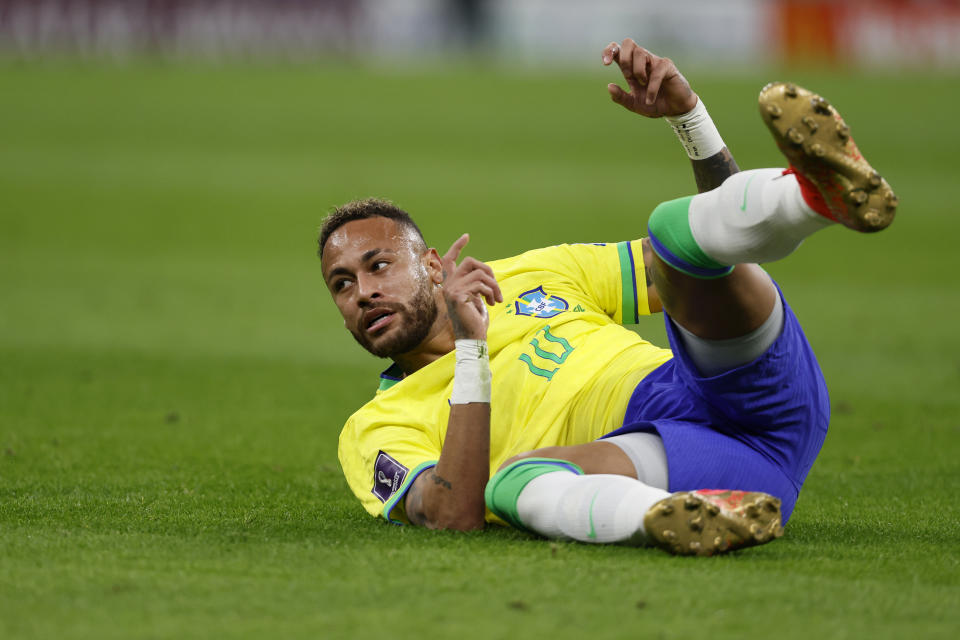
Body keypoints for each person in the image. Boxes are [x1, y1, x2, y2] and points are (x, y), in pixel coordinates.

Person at [319, 39, 897, 556]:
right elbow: (450, 517)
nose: (364, 292)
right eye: (342, 284)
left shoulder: (533, 273)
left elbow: (719, 255)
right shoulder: (375, 428)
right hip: (699, 469)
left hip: (734, 388)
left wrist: (691, 121)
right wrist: (471, 354)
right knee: (515, 483)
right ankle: (666, 519)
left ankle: (814, 201)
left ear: (429, 264)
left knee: (674, 232)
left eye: (379, 266)